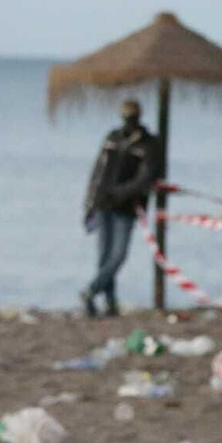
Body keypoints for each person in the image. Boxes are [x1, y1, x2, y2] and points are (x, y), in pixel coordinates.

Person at [80, 99, 161, 317]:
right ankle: (109, 301)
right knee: (104, 256)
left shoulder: (148, 144)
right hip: (103, 203)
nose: (128, 120)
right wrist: (89, 203)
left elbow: (145, 177)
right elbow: (98, 171)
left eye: (131, 116)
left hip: (126, 207)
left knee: (118, 255)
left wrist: (119, 192)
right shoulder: (112, 138)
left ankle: (91, 290)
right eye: (126, 116)